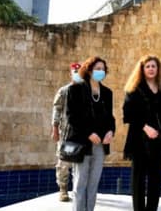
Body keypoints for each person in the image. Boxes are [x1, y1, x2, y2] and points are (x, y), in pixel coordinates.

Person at [66, 56, 116, 211]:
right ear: (88, 70)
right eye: (97, 69)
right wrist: (88, 133)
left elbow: (110, 118)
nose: (101, 72)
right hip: (83, 143)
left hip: (100, 145)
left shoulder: (107, 93)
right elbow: (71, 117)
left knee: (93, 184)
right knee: (80, 183)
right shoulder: (75, 89)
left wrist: (110, 132)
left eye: (103, 69)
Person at [122, 55, 161, 211]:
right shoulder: (134, 89)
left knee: (156, 178)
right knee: (138, 178)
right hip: (139, 138)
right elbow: (127, 113)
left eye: (153, 66)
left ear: (158, 68)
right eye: (147, 66)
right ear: (142, 69)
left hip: (159, 140)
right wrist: (145, 127)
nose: (151, 69)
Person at [51, 62, 82, 202]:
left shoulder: (86, 91)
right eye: (75, 72)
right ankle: (63, 189)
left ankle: (78, 190)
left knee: (80, 164)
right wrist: (55, 129)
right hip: (67, 134)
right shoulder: (64, 91)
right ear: (70, 74)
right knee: (64, 162)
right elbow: (56, 110)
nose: (77, 75)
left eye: (79, 72)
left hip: (82, 135)